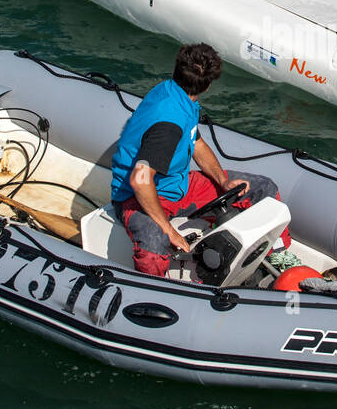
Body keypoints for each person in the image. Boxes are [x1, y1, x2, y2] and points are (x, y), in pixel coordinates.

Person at [108, 43, 291, 276]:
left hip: (178, 185)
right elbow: (141, 181)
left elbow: (196, 143)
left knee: (263, 188)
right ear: (208, 86)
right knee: (154, 244)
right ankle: (153, 294)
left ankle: (278, 257)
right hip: (139, 197)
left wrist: (222, 181)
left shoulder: (176, 94)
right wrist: (168, 230)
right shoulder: (168, 125)